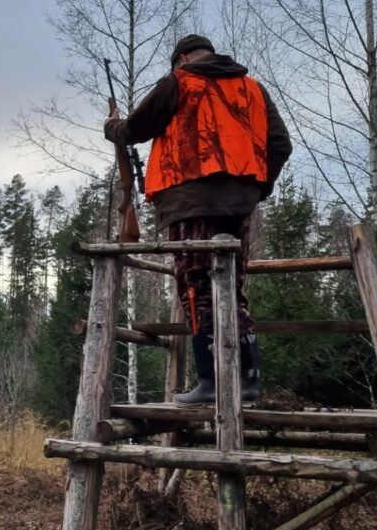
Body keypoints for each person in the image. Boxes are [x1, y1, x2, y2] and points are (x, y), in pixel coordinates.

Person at [104, 34, 292, 405]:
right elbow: (280, 145)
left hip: (189, 202)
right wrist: (257, 188)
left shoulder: (180, 81)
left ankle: (211, 379)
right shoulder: (253, 89)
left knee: (196, 287)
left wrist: (112, 126)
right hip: (240, 206)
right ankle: (249, 380)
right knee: (232, 288)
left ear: (182, 59)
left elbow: (134, 130)